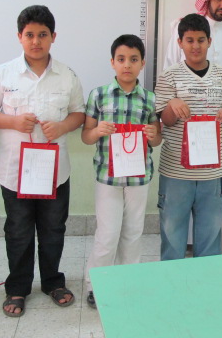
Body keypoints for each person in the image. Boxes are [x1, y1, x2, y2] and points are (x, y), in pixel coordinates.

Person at [0, 5, 85, 317]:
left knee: (53, 229)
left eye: (42, 34)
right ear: (19, 37)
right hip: (15, 172)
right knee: (18, 231)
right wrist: (12, 122)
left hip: (54, 172)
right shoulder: (3, 73)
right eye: (29, 35)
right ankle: (17, 288)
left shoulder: (67, 75)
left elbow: (79, 113)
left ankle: (52, 282)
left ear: (53, 37)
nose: (36, 41)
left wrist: (63, 127)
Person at [81, 34, 162, 308]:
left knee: (133, 232)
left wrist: (153, 135)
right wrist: (97, 131)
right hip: (108, 177)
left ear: (142, 64)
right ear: (112, 62)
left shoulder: (150, 99)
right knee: (107, 233)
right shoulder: (98, 95)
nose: (127, 65)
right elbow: (85, 136)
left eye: (134, 59)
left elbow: (157, 139)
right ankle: (98, 285)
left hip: (138, 178)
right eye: (121, 59)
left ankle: (129, 282)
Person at [155, 13, 222, 260]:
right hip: (176, 172)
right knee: (172, 235)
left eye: (201, 40)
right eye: (189, 40)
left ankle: (206, 281)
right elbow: (165, 121)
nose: (196, 46)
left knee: (210, 237)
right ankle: (172, 279)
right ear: (180, 43)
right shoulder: (168, 76)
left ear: (209, 42)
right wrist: (172, 105)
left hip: (214, 173)